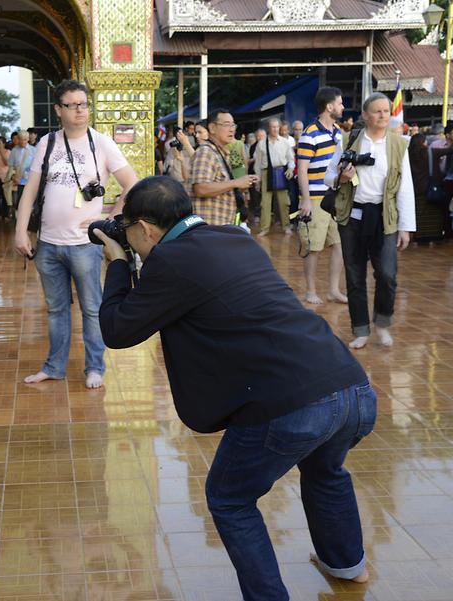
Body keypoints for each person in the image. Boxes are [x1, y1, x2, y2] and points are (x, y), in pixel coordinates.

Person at [95, 176, 375, 601]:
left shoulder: (171, 263)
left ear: (147, 229)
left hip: (290, 406)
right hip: (349, 384)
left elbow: (116, 329)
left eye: (127, 227)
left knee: (229, 499)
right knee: (325, 470)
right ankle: (348, 566)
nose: (128, 238)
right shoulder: (234, 238)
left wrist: (117, 263)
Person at [13, 79, 138, 389]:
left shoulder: (103, 143)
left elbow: (131, 183)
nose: (81, 110)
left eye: (84, 104)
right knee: (56, 309)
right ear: (59, 110)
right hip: (48, 243)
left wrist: (109, 219)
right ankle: (54, 366)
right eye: (72, 105)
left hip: (85, 244)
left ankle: (95, 367)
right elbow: (30, 191)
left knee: (92, 309)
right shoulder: (48, 143)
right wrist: (20, 231)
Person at [325, 93, 415, 350]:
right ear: (365, 115)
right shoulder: (349, 140)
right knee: (355, 276)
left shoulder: (399, 144)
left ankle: (383, 324)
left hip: (384, 218)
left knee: (387, 274)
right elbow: (328, 177)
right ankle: (361, 329)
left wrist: (406, 227)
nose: (383, 115)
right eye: (377, 111)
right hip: (352, 217)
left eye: (386, 111)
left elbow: (405, 187)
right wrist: (341, 178)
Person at [297, 86, 348, 305]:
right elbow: (302, 169)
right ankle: (310, 290)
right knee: (313, 246)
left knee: (339, 244)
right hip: (316, 199)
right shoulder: (310, 134)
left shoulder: (338, 133)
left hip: (335, 197)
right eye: (340, 102)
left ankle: (333, 290)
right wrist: (306, 200)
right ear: (329, 107)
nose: (343, 106)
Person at [190, 109, 258, 225]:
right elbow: (200, 188)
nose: (232, 129)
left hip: (222, 225)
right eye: (226, 124)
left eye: (233, 125)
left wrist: (245, 182)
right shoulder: (206, 152)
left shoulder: (223, 153)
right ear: (212, 128)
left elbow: (231, 181)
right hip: (209, 227)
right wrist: (235, 183)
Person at [253, 117, 295, 236]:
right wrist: (258, 180)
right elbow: (257, 164)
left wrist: (291, 169)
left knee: (284, 202)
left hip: (281, 172)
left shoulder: (284, 142)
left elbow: (291, 159)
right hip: (266, 173)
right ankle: (264, 228)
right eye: (273, 127)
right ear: (268, 128)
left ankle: (286, 226)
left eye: (277, 126)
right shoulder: (261, 143)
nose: (275, 129)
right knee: (265, 203)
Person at [8, 130, 35, 213]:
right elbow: (11, 167)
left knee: (30, 203)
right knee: (19, 203)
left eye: (25, 139)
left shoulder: (34, 150)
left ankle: (30, 221)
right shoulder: (14, 151)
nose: (23, 141)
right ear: (18, 139)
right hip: (18, 182)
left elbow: (37, 167)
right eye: (21, 139)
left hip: (30, 181)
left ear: (28, 139)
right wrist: (13, 176)